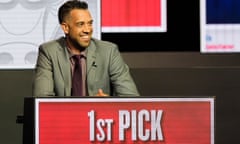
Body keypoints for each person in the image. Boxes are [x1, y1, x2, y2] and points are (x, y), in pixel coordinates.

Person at [32, 0, 140, 97]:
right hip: (65, 118)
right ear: (65, 28)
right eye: (81, 24)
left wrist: (108, 104)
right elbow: (42, 100)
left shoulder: (109, 51)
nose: (87, 30)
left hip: (99, 118)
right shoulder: (48, 52)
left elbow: (131, 97)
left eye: (90, 23)